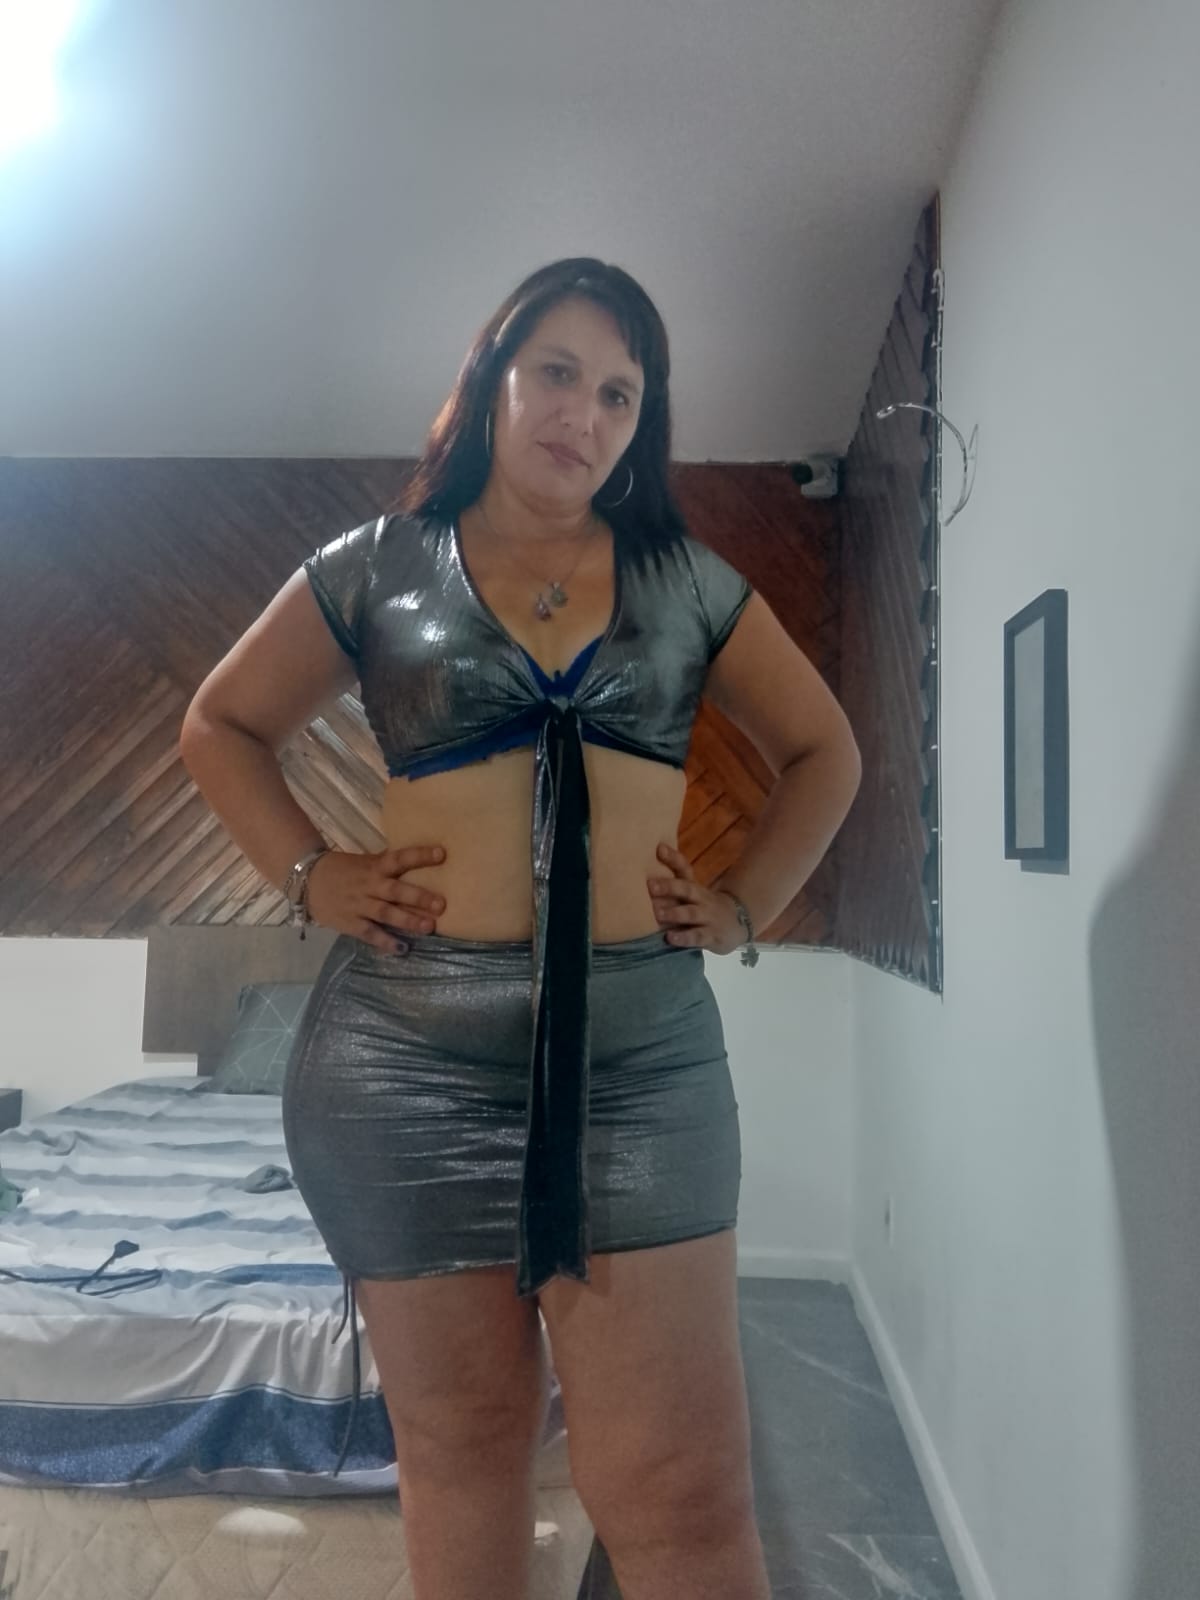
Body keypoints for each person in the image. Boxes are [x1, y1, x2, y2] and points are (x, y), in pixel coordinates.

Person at [180, 256, 862, 1600]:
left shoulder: (686, 580)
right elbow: (221, 724)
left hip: (640, 1067)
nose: (583, 413)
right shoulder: (378, 567)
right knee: (462, 1454)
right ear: (493, 377)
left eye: (619, 394)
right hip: (404, 1064)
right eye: (558, 372)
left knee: (685, 1489)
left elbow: (825, 752)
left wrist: (743, 904)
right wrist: (311, 874)